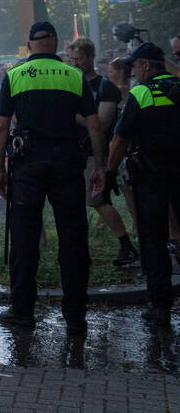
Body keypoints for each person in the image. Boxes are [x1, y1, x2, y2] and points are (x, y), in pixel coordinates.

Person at [0, 22, 104, 336]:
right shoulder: (74, 75)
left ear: (30, 45)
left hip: (27, 165)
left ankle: (23, 312)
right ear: (56, 44)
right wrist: (100, 165)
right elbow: (94, 125)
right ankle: (75, 316)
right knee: (73, 238)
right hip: (67, 165)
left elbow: (2, 128)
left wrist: (1, 171)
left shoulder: (15, 75)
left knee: (25, 239)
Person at [107, 43, 180, 326]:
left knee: (154, 241)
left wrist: (110, 171)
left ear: (146, 66)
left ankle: (159, 306)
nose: (133, 72)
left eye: (134, 66)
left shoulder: (142, 93)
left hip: (151, 178)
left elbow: (120, 138)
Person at [66, 37, 138, 266]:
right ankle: (81, 249)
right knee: (79, 201)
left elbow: (103, 123)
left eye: (80, 58)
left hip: (95, 152)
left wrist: (66, 113)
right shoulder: (71, 84)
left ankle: (127, 245)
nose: (77, 63)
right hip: (73, 151)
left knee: (97, 200)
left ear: (91, 57)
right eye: (73, 59)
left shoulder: (104, 86)